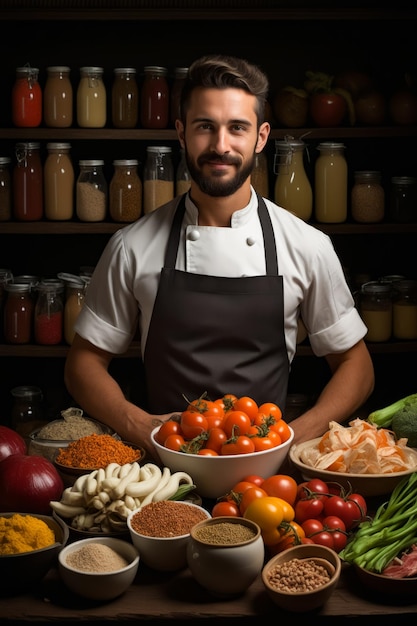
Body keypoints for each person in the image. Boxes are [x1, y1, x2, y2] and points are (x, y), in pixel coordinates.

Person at [64, 54, 374, 458]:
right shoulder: (132, 245)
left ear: (261, 137)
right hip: (162, 472)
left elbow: (356, 365)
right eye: (205, 127)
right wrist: (139, 424)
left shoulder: (306, 245)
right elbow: (83, 363)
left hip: (267, 481)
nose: (220, 146)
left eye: (237, 128)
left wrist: (291, 439)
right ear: (181, 133)